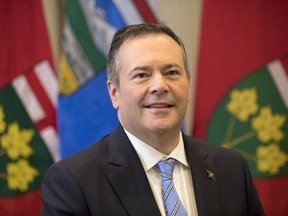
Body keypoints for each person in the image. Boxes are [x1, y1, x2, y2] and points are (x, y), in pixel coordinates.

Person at [40, 23, 264, 216]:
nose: (159, 86)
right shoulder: (73, 181)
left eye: (172, 72)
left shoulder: (232, 168)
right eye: (141, 75)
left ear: (188, 84)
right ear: (114, 92)